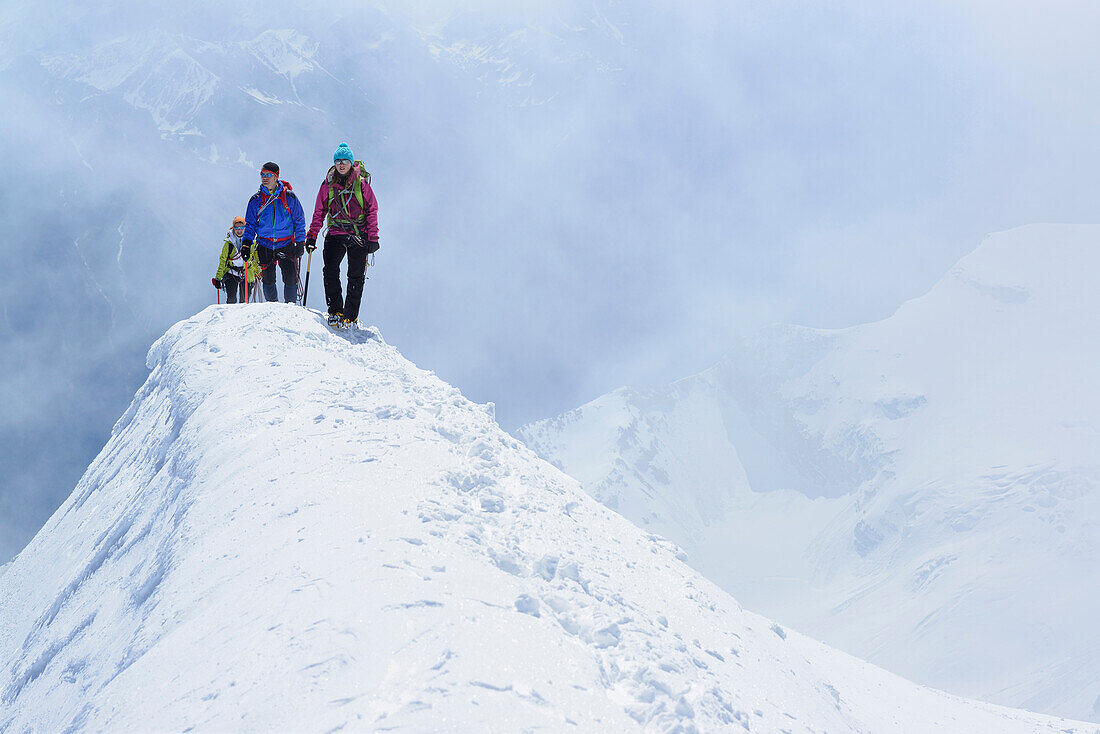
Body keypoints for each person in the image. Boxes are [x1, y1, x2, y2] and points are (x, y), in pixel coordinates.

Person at [305, 142, 379, 326]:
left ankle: (350, 315)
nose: (341, 164)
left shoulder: (361, 184)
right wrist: (312, 235)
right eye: (338, 161)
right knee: (330, 271)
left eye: (345, 160)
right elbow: (319, 211)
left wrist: (373, 237)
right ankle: (335, 311)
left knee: (356, 276)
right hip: (337, 232)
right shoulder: (328, 184)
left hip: (358, 234)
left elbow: (372, 210)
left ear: (351, 162)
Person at [241, 162, 307, 303]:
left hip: (286, 242)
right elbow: (250, 224)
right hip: (265, 243)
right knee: (268, 278)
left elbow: (299, 220)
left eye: (268, 175)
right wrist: (246, 244)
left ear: (276, 176)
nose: (265, 178)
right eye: (262, 175)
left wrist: (301, 242)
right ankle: (272, 308)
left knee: (290, 278)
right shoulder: (255, 200)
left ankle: (290, 307)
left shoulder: (289, 197)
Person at [212, 216, 259, 303]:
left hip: (247, 272)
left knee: (244, 301)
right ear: (233, 228)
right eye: (236, 227)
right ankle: (230, 316)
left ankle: (242, 316)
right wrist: (218, 278)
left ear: (245, 228)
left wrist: (258, 272)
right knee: (231, 300)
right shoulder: (229, 243)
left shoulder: (251, 242)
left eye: (242, 228)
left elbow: (255, 258)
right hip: (231, 272)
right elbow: (223, 260)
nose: (239, 230)